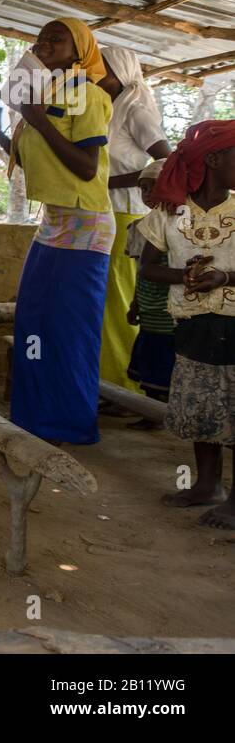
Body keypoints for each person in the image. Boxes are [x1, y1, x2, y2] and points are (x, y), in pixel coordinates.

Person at [0, 17, 114, 445]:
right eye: (41, 37)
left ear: (81, 50)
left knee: (69, 328)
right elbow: (36, 160)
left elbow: (87, 167)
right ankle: (34, 417)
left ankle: (69, 423)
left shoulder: (87, 95)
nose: (45, 42)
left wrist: (37, 120)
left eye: (58, 37)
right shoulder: (45, 95)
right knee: (33, 321)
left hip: (85, 222)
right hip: (53, 222)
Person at [136, 121, 235, 529]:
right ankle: (207, 485)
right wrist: (184, 277)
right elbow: (147, 268)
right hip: (194, 324)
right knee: (203, 406)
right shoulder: (169, 214)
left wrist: (223, 279)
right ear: (213, 160)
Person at [98, 46, 171, 394]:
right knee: (106, 300)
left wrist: (106, 182)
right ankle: (110, 381)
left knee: (120, 300)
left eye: (102, 68)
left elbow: (166, 162)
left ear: (121, 72)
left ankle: (125, 385)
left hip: (128, 213)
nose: (94, 74)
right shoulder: (106, 109)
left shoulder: (136, 109)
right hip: (105, 211)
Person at [124, 159, 173, 418]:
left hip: (170, 313)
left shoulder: (180, 227)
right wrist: (135, 304)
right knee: (149, 361)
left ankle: (162, 415)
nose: (147, 194)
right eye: (143, 189)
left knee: (166, 362)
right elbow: (139, 274)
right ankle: (151, 413)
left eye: (152, 187)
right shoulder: (137, 228)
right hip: (150, 310)